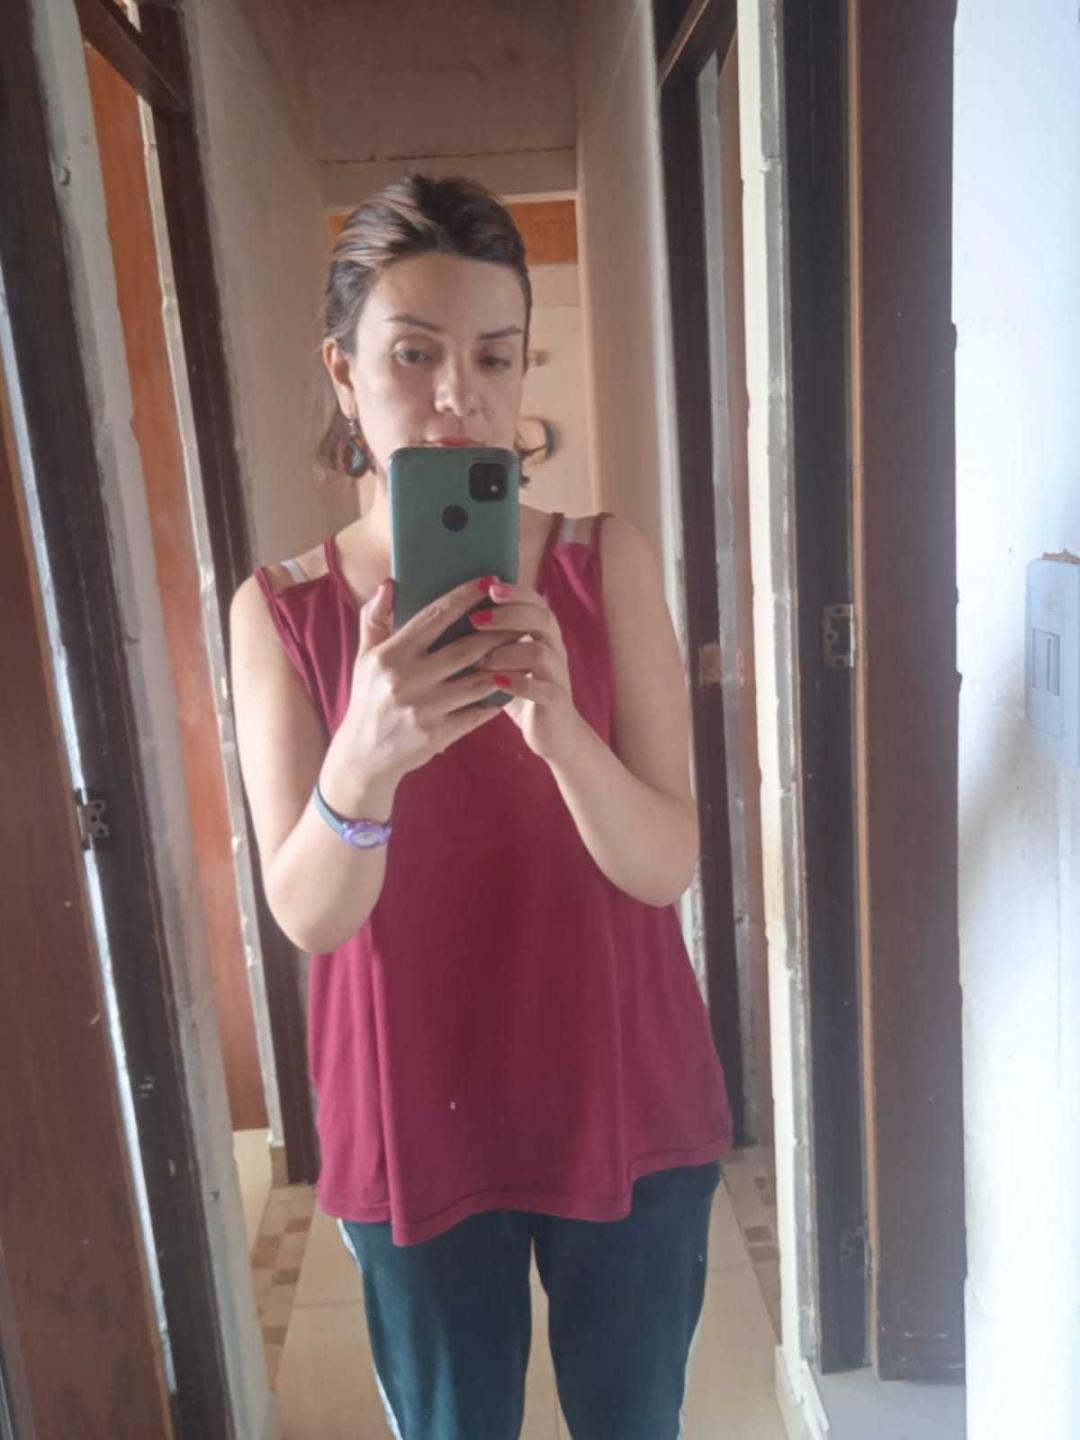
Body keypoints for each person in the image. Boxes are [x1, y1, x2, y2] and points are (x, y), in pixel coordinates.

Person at [230, 174, 732, 1440]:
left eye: (495, 357)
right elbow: (309, 915)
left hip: (623, 1089)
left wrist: (561, 730)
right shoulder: (281, 612)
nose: (459, 395)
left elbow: (668, 860)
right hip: (412, 1114)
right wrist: (362, 762)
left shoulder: (602, 561)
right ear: (344, 374)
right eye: (414, 354)